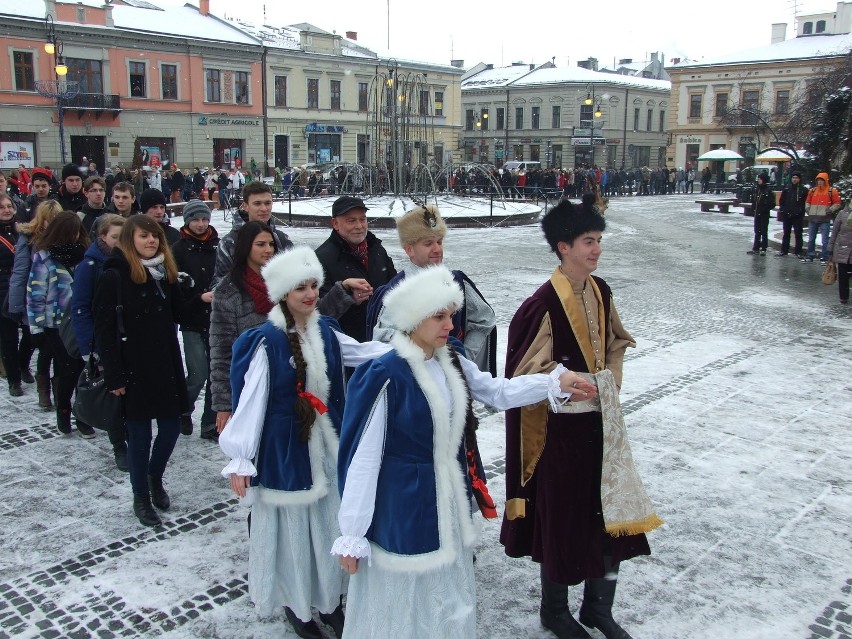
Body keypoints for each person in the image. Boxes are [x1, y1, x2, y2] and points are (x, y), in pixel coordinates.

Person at [333, 265, 596, 639]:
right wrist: (352, 531)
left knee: (447, 593)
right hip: (403, 504)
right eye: (439, 316)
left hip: (448, 500)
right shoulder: (384, 374)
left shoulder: (450, 357)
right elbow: (362, 459)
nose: (450, 324)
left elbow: (497, 392)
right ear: (412, 318)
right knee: (405, 595)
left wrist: (556, 380)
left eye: (451, 315)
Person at [500, 201, 662, 639]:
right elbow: (521, 370)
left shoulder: (601, 290)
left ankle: (597, 609)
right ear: (563, 247)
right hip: (559, 433)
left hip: (601, 427)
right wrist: (564, 379)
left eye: (599, 241)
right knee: (565, 517)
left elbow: (616, 341)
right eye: (589, 242)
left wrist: (608, 381)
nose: (597, 250)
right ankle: (554, 611)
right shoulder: (542, 303)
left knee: (607, 512)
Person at [220, 246, 389, 639]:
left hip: (326, 449)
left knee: (330, 526)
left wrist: (408, 350)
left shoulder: (326, 329)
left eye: (314, 285)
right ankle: (298, 606)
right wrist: (241, 456)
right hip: (286, 452)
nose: (311, 294)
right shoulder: (265, 341)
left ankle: (329, 602)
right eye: (301, 288)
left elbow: (363, 354)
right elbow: (251, 402)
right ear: (282, 293)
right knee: (295, 536)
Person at [93, 215, 189, 527]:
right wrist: (114, 376)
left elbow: (181, 313)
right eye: (144, 237)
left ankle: (153, 477)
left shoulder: (164, 273)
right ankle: (141, 496)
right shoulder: (114, 276)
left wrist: (206, 297)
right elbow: (104, 331)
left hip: (165, 362)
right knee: (139, 436)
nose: (151, 242)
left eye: (155, 237)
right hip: (132, 366)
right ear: (129, 240)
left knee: (172, 428)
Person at [366, 204, 497, 375]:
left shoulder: (456, 281)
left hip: (454, 382)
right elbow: (383, 341)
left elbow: (484, 319)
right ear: (409, 249)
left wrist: (464, 355)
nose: (437, 249)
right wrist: (423, 367)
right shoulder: (398, 291)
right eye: (428, 243)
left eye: (439, 242)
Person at [26, 211, 94, 438]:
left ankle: (83, 416)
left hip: (81, 318)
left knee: (83, 369)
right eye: (68, 233)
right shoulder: (44, 257)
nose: (72, 237)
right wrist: (35, 328)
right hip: (55, 323)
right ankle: (64, 410)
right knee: (68, 369)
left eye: (76, 233)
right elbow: (35, 293)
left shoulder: (85, 255)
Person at [71, 214, 128, 470]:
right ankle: (119, 445)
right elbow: (80, 307)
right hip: (103, 338)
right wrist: (88, 347)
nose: (120, 242)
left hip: (129, 337)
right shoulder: (90, 266)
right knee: (112, 392)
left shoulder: (130, 262)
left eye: (123, 237)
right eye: (115, 237)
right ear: (102, 237)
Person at [209, 222, 277, 435]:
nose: (268, 250)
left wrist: (342, 293)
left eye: (271, 244)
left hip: (284, 379)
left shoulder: (284, 282)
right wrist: (223, 405)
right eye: (260, 244)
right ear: (246, 247)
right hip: (248, 384)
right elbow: (221, 350)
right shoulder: (228, 292)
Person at [315, 196, 396, 342]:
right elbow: (317, 313)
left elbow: (395, 286)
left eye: (363, 219)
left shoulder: (377, 250)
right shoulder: (321, 259)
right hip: (346, 347)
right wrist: (347, 297)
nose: (359, 226)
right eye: (351, 221)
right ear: (335, 223)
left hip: (381, 341)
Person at [171, 200, 219, 439]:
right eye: (195, 220)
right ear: (187, 221)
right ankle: (183, 409)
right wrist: (198, 298)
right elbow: (175, 289)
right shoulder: (178, 249)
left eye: (204, 219)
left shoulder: (219, 247)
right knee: (198, 373)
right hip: (192, 319)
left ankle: (209, 422)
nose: (200, 224)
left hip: (217, 320)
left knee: (216, 374)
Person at [9, 199, 61, 408]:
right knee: (42, 347)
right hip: (35, 298)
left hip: (58, 302)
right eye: (48, 220)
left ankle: (58, 392)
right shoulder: (29, 238)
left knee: (58, 350)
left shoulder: (64, 238)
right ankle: (43, 390)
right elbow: (20, 271)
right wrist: (16, 304)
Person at [212, 182, 292, 289]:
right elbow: (220, 285)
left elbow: (295, 277)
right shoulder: (229, 243)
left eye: (268, 203)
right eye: (257, 203)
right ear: (246, 206)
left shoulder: (282, 239)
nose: (264, 209)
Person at [0, 193, 29, 397]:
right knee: (8, 337)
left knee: (30, 333)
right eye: (1, 207)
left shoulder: (22, 230)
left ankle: (23, 364)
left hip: (24, 285)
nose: (6, 210)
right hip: (2, 287)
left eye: (9, 206)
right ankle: (14, 379)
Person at [802, 172, 842, 263]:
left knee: (825, 240)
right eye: (818, 180)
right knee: (811, 239)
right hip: (813, 218)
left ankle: (825, 257)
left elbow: (837, 203)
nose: (819, 182)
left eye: (821, 180)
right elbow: (807, 201)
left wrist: (830, 210)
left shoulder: (831, 191)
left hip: (824, 219)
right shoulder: (812, 191)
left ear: (825, 181)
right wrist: (808, 209)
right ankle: (810, 255)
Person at [777, 171, 807, 257]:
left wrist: (800, 210)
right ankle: (784, 250)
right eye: (793, 178)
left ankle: (798, 251)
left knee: (798, 233)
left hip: (798, 215)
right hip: (787, 214)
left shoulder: (803, 190)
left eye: (796, 178)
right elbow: (782, 200)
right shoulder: (787, 188)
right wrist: (782, 209)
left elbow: (805, 202)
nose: (794, 179)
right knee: (786, 233)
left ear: (799, 179)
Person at [828, 203, 852, 304]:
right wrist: (830, 248)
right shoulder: (842, 213)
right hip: (843, 249)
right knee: (843, 277)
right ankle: (844, 297)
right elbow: (834, 232)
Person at [747, 173, 774, 256]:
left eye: (760, 179)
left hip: (764, 214)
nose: (758, 180)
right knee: (757, 231)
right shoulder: (757, 189)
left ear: (764, 180)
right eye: (758, 179)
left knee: (763, 231)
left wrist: (764, 209)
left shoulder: (768, 190)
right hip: (757, 212)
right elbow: (754, 200)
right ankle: (756, 247)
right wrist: (753, 208)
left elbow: (772, 203)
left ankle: (763, 248)